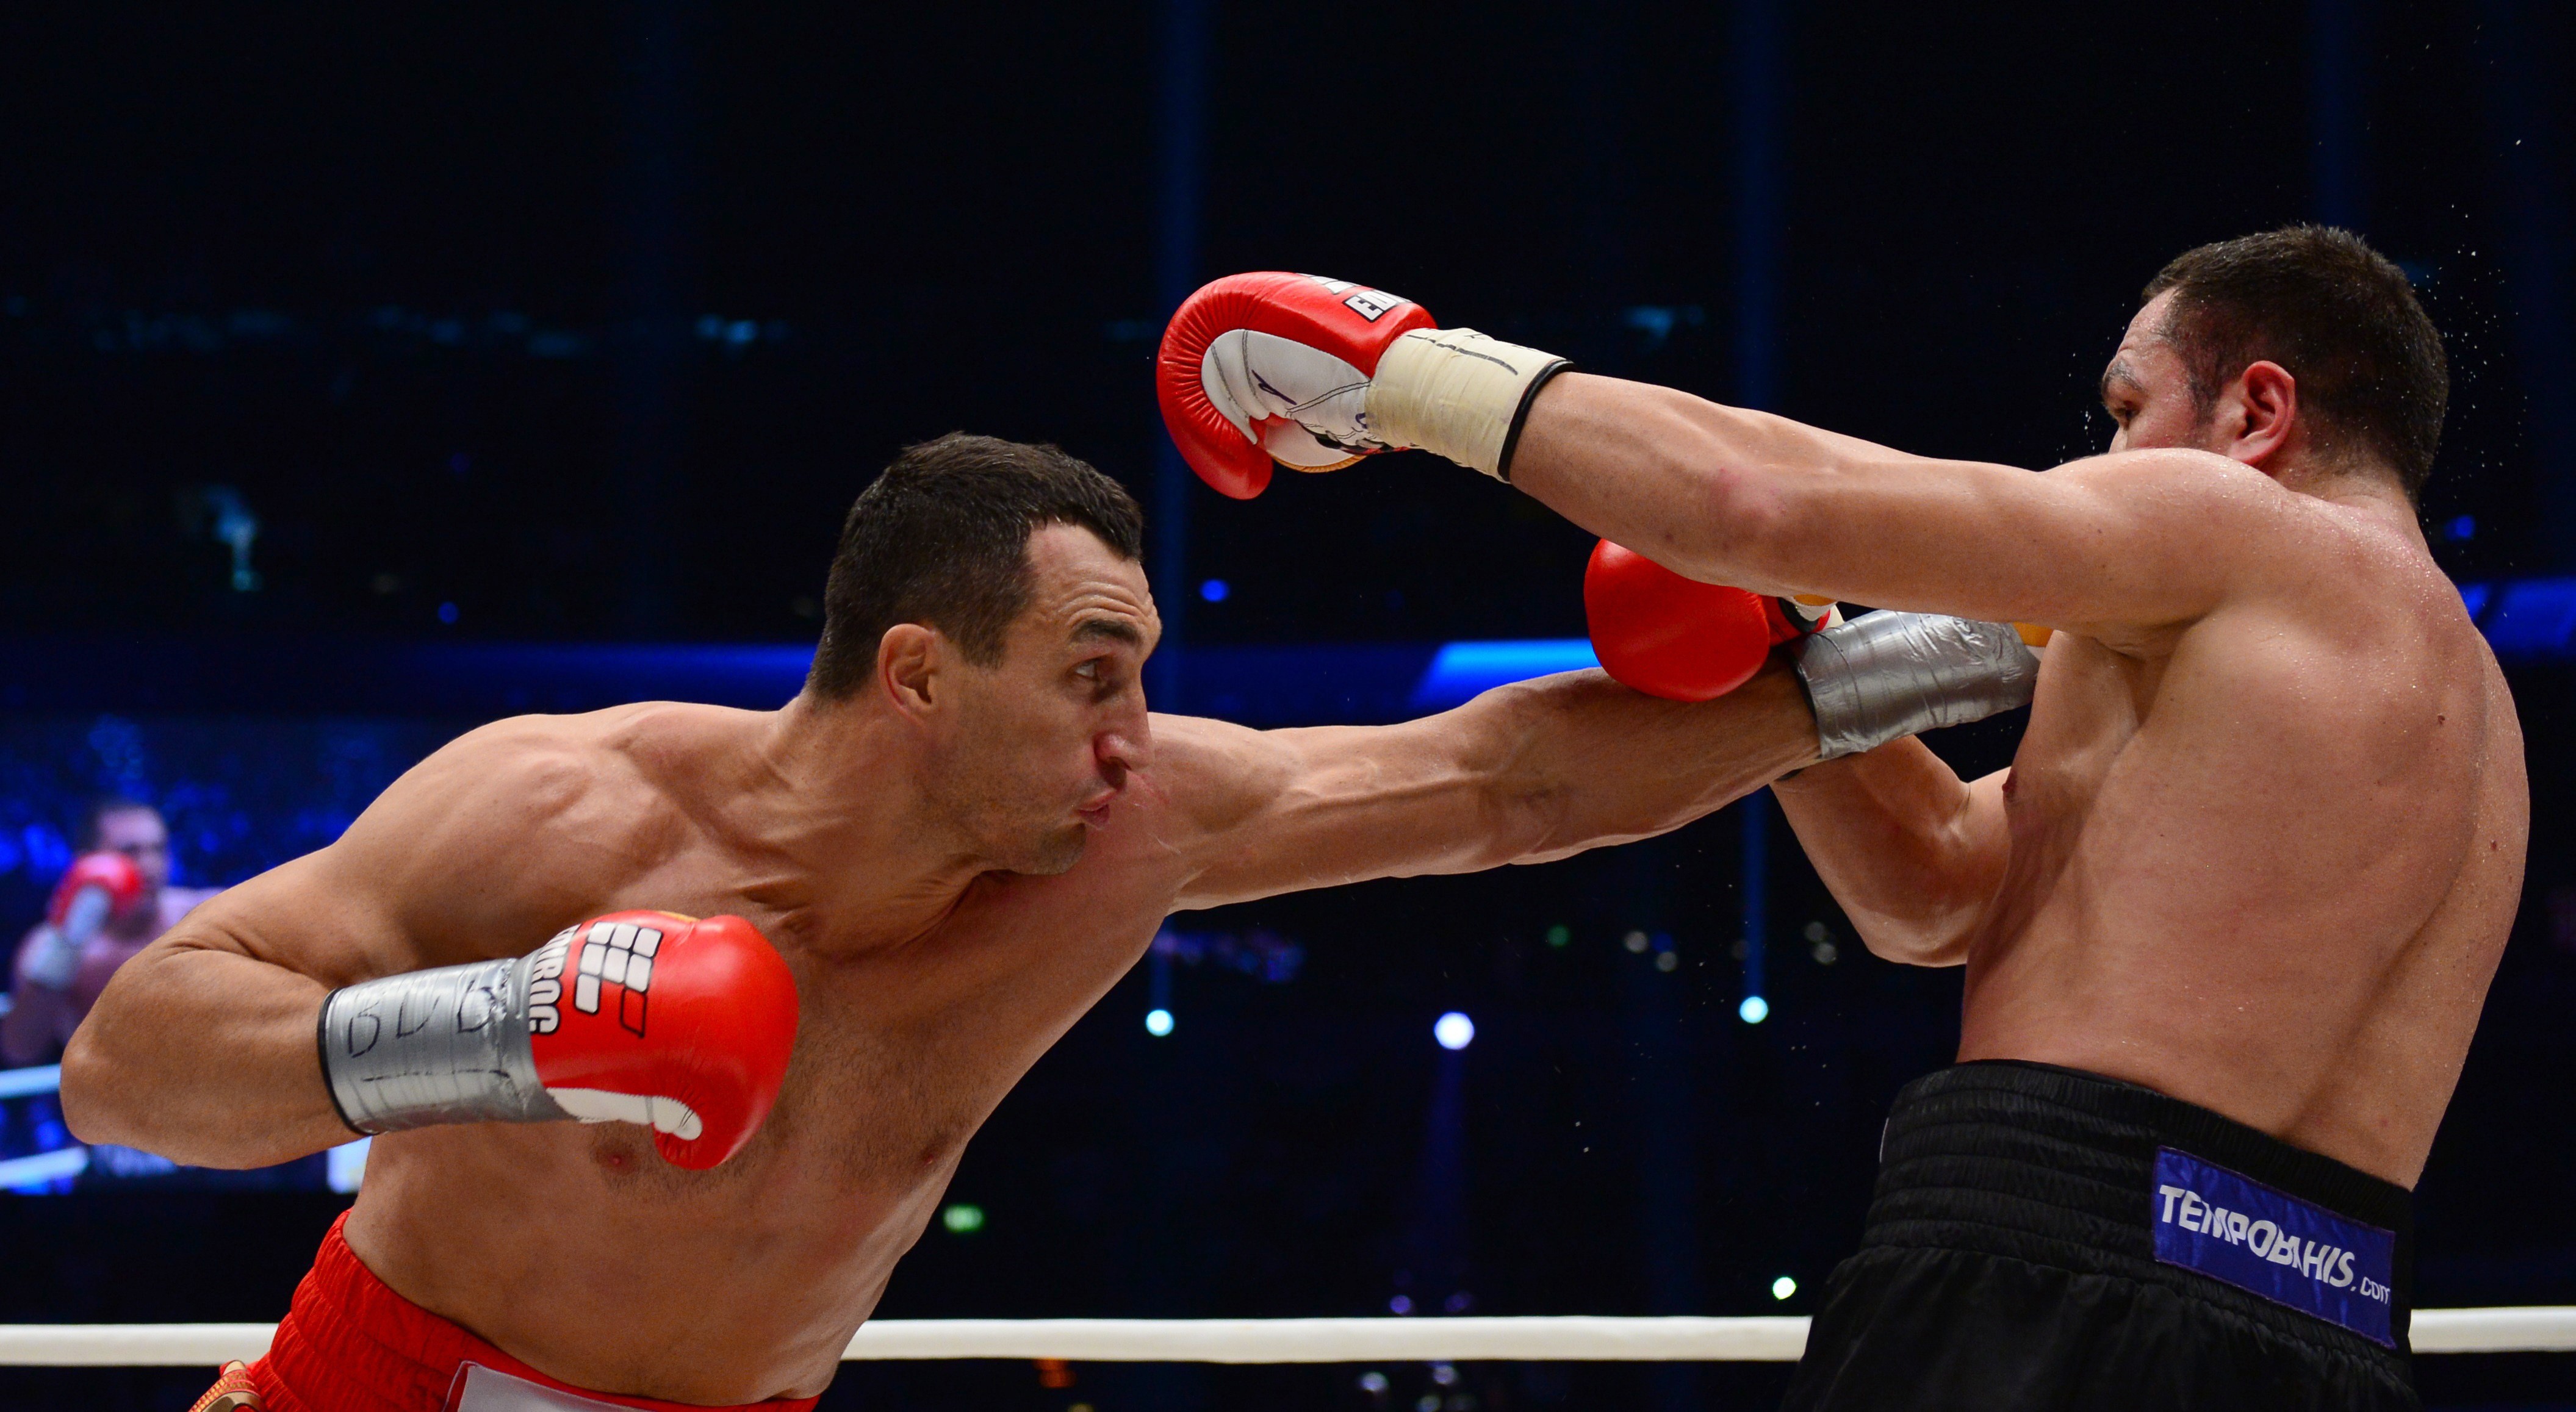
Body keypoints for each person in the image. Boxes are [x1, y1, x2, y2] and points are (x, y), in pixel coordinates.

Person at [65, 434, 2035, 1412]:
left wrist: (1917, 658)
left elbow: (1503, 783)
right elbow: (123, 1055)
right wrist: (501, 1024)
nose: (1136, 732)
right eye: (1092, 672)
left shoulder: (1134, 838)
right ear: (918, 674)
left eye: (1146, 675)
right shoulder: (561, 809)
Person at [1160, 227, 2527, 1409]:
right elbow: (1933, 892)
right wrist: (1809, 655)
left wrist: (1406, 371)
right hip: (2329, 1323)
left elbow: (1750, 504)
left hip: (2047, 1268)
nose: (2100, 456)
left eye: (2123, 410)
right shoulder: (2476, 726)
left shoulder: (2235, 528)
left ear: (2256, 411)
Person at [5, 798, 222, 1066]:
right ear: (89, 861)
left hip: (215, 1087)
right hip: (114, 1098)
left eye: (158, 849)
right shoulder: (50, 947)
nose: (150, 865)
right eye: (131, 852)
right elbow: (21, 1048)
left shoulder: (206, 914)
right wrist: (66, 948)